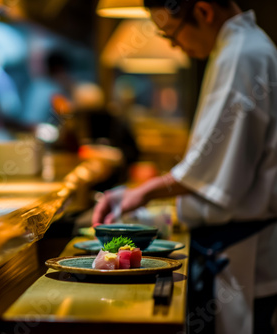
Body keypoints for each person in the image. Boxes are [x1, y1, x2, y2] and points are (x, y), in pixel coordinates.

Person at [92, 1, 277, 333]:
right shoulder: (240, 48)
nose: (175, 46)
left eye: (171, 35)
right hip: (236, 243)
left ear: (204, 11)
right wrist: (140, 194)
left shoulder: (243, 53)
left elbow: (212, 164)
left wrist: (143, 193)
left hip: (243, 250)